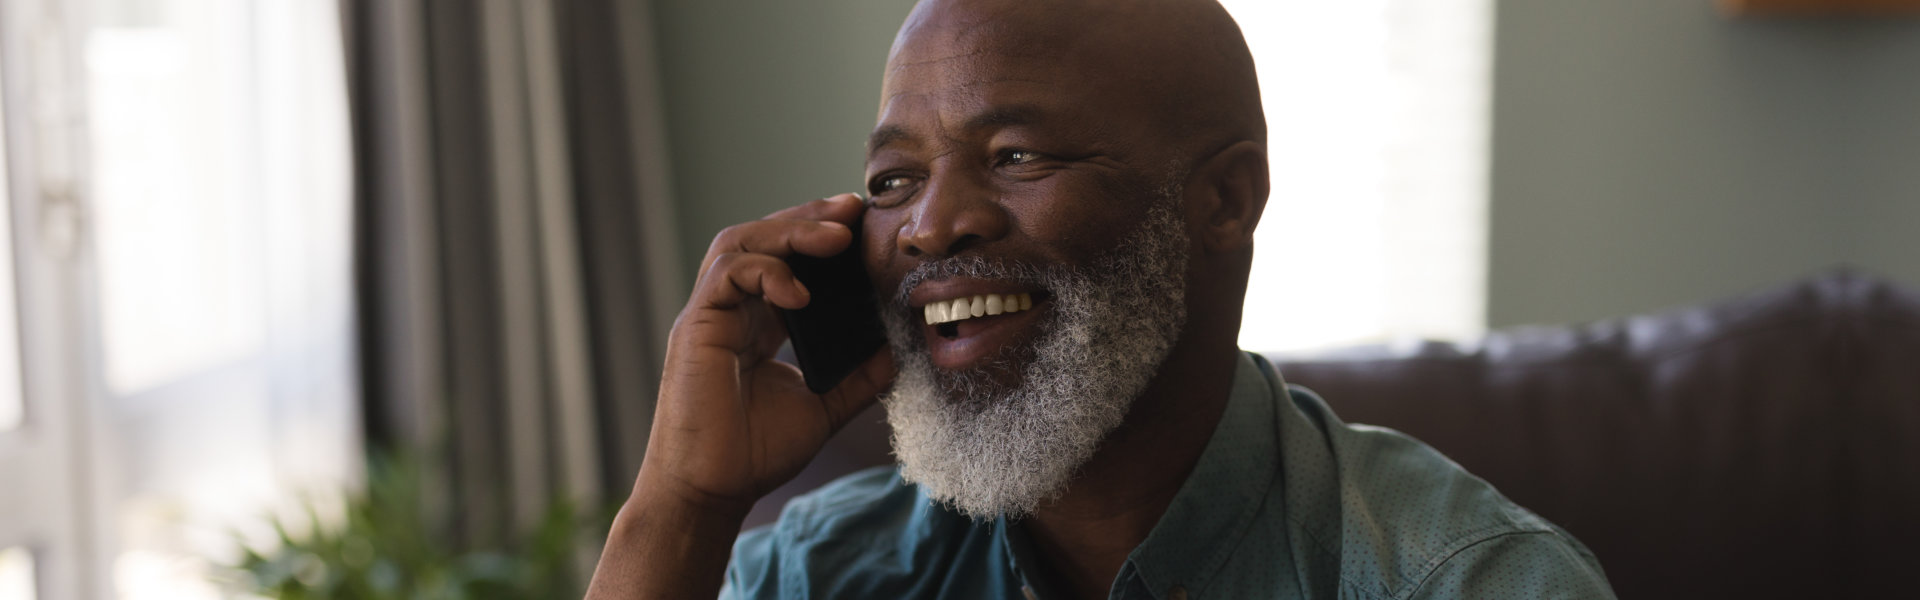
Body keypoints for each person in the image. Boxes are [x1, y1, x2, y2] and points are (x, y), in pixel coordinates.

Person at [587, 0, 1615, 598]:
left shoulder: (1463, 583)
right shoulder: (823, 573)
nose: (931, 227)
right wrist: (681, 507)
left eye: (1016, 154)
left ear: (1224, 199)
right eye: (895, 178)